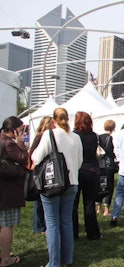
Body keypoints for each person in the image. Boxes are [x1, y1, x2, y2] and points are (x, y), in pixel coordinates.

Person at [32, 108, 83, 267]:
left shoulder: (50, 134)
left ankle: (53, 262)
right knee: (66, 221)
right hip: (72, 181)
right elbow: (79, 161)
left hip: (53, 183)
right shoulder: (75, 137)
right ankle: (67, 259)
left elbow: (36, 157)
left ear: (54, 120)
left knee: (52, 222)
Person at [0, 116, 28, 267]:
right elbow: (23, 158)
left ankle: (3, 253)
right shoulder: (9, 144)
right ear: (13, 130)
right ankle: (5, 258)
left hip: (3, 188)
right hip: (8, 189)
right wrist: (21, 144)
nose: (22, 132)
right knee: (7, 224)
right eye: (20, 129)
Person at [72, 111, 102, 240]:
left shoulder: (74, 136)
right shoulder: (94, 136)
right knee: (89, 203)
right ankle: (93, 233)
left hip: (77, 170)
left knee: (73, 204)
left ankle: (73, 233)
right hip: (91, 171)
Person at [28, 116, 54, 235]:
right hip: (39, 170)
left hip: (47, 170)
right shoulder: (40, 136)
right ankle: (39, 226)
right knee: (39, 200)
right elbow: (32, 153)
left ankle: (43, 224)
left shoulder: (50, 136)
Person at [96, 120, 117, 217]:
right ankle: (106, 209)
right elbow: (111, 151)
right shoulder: (110, 138)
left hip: (99, 164)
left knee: (100, 185)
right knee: (109, 186)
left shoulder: (98, 137)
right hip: (108, 164)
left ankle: (98, 206)